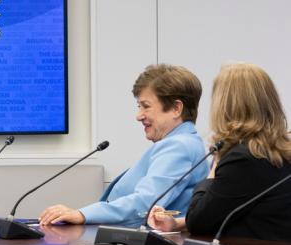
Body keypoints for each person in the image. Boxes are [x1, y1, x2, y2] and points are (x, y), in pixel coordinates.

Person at [39, 64, 209, 227]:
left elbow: (145, 203)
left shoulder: (179, 146)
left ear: (176, 108)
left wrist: (82, 215)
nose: (139, 116)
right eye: (139, 106)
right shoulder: (183, 142)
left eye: (146, 106)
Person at [148, 63, 291, 241]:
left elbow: (199, 221)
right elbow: (228, 209)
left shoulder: (243, 159)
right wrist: (177, 224)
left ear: (225, 106)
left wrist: (215, 166)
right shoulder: (278, 151)